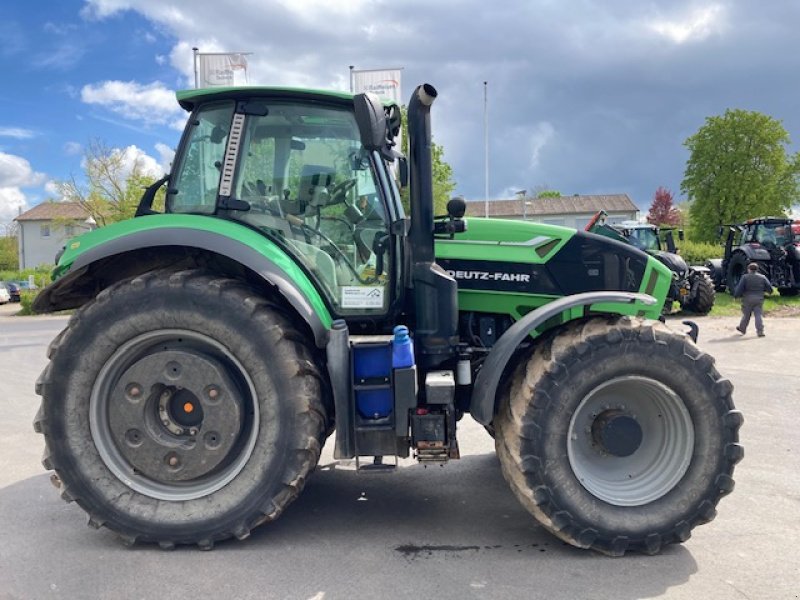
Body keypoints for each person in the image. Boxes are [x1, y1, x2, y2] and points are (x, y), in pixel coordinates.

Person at [733, 263, 773, 337]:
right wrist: (769, 292)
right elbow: (769, 288)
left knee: (746, 315)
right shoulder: (762, 277)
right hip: (759, 299)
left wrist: (736, 296)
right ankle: (760, 331)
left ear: (749, 269)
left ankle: (742, 328)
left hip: (747, 299)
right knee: (758, 315)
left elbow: (740, 288)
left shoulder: (745, 277)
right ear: (757, 270)